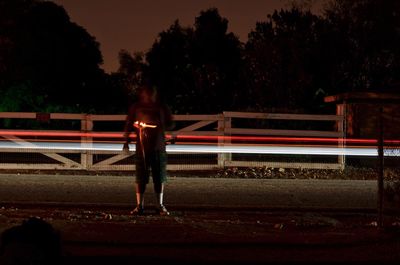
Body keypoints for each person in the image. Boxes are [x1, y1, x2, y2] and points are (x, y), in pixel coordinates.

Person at [123, 85, 174, 216]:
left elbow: (170, 123)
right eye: (148, 93)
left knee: (159, 177)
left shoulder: (161, 107)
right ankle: (140, 206)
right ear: (144, 94)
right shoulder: (136, 107)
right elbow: (129, 123)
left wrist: (165, 129)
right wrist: (127, 139)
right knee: (141, 177)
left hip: (158, 147)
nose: (150, 96)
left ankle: (159, 205)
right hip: (142, 148)